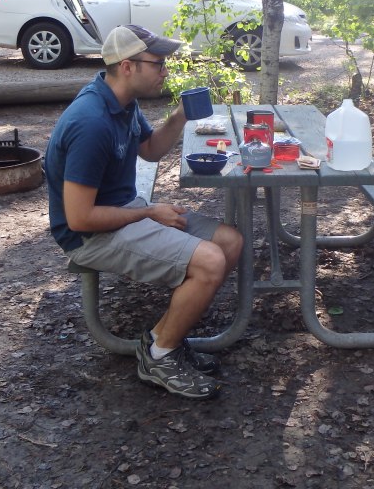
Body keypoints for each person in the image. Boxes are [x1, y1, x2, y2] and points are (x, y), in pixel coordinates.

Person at [44, 24, 242, 400]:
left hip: (124, 211)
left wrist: (180, 117)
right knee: (211, 262)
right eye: (159, 62)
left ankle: (160, 340)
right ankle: (159, 359)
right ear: (128, 66)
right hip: (89, 236)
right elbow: (80, 219)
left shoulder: (122, 103)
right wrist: (149, 213)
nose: (165, 70)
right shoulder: (91, 123)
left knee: (230, 242)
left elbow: (149, 150)